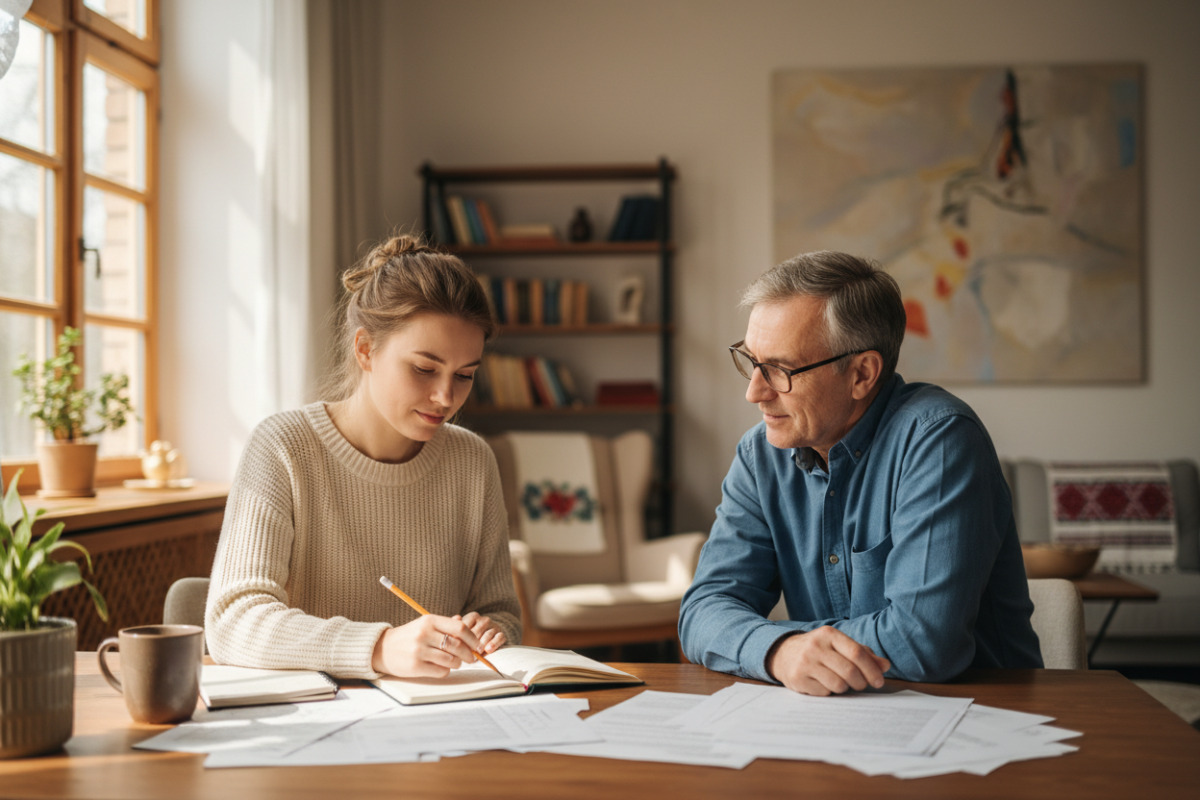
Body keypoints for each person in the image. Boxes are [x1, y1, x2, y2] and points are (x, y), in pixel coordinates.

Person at [678, 250, 1041, 696]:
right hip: (840, 716)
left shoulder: (940, 440)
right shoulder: (761, 456)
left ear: (862, 374)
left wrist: (776, 642)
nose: (755, 392)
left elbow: (922, 644)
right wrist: (780, 652)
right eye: (752, 361)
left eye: (779, 369)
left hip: (984, 711)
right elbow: (702, 612)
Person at [205, 234, 520, 680]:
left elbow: (502, 613)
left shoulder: (473, 461)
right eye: (424, 369)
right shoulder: (283, 447)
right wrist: (379, 648)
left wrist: (490, 632)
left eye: (465, 375)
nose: (446, 397)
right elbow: (232, 621)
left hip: (437, 711)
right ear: (365, 350)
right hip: (317, 714)